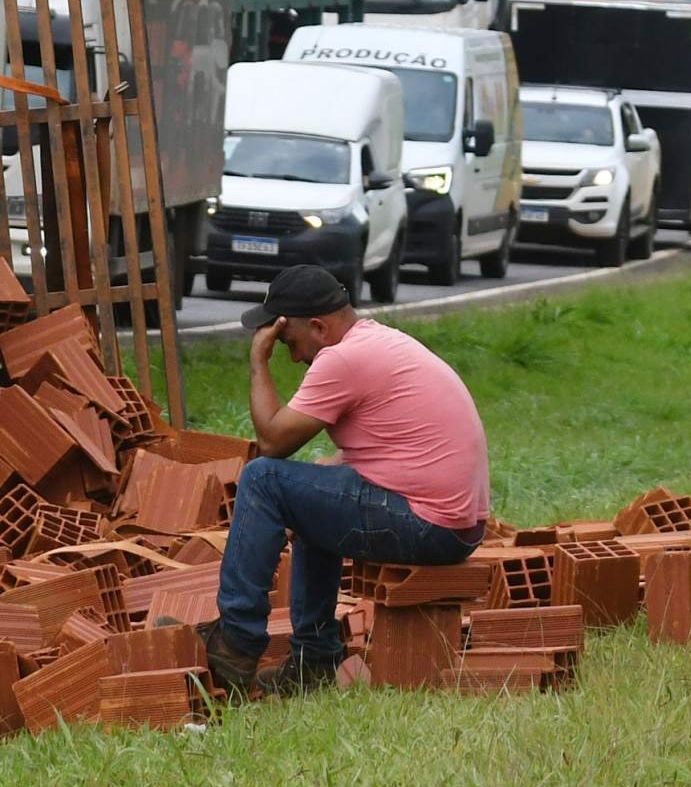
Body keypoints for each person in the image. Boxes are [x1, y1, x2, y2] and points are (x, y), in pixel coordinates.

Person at [207, 264, 490, 697]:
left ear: (318, 327)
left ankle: (237, 642)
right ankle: (314, 661)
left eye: (290, 342)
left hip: (429, 524)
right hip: (453, 523)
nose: (293, 355)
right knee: (312, 489)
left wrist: (257, 362)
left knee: (263, 479)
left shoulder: (343, 358)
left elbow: (271, 443)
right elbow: (396, 438)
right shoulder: (376, 340)